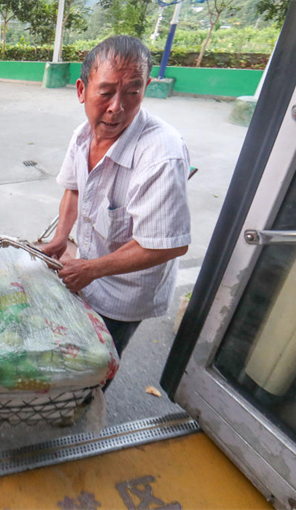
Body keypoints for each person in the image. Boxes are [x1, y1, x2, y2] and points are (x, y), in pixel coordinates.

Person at [43, 35, 191, 362]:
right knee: (76, 345)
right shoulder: (82, 135)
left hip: (127, 292)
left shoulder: (161, 154)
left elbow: (168, 244)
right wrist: (60, 239)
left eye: (133, 92)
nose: (117, 107)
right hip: (89, 266)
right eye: (106, 92)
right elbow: (73, 188)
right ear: (82, 90)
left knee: (98, 361)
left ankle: (87, 402)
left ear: (147, 87)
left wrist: (92, 268)